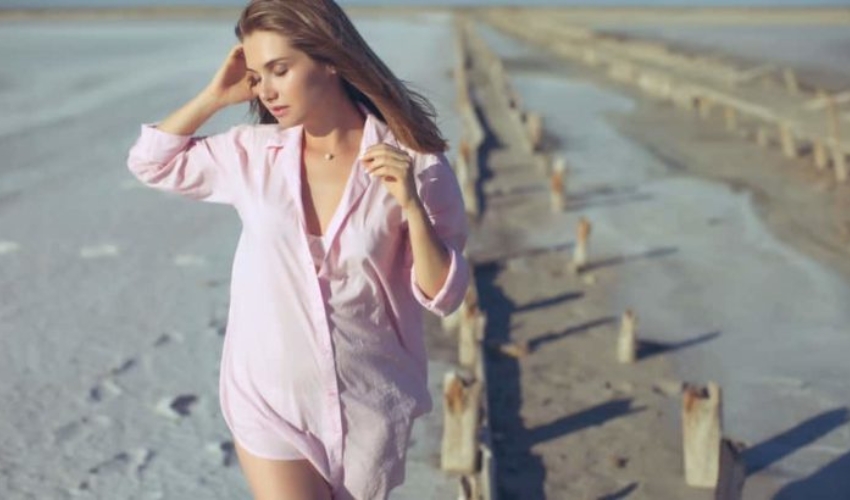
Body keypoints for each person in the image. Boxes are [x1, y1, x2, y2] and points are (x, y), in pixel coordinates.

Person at [125, 0, 470, 499]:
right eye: (258, 74)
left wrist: (413, 208)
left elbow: (444, 294)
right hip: (267, 396)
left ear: (329, 58)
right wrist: (213, 97)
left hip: (368, 404)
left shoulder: (416, 162)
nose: (266, 90)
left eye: (280, 70)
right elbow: (150, 163)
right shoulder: (252, 153)